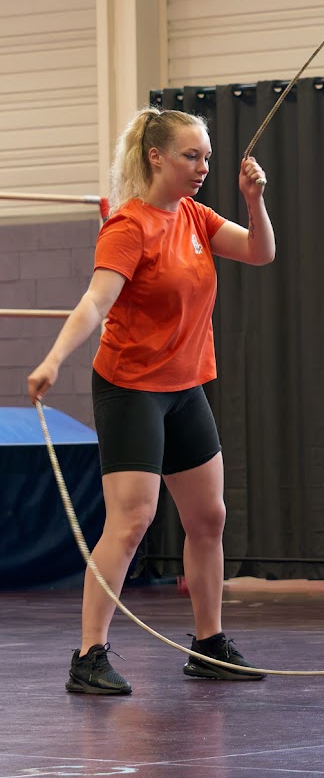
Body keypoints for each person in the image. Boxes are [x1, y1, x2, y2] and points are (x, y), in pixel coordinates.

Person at [27, 107, 275, 695]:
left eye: (207, 158)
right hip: (131, 388)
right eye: (191, 157)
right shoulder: (128, 226)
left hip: (186, 388)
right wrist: (54, 358)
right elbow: (95, 302)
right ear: (155, 157)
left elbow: (260, 252)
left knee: (208, 517)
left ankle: (209, 645)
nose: (202, 168)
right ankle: (89, 655)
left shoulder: (195, 216)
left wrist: (253, 200)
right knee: (133, 520)